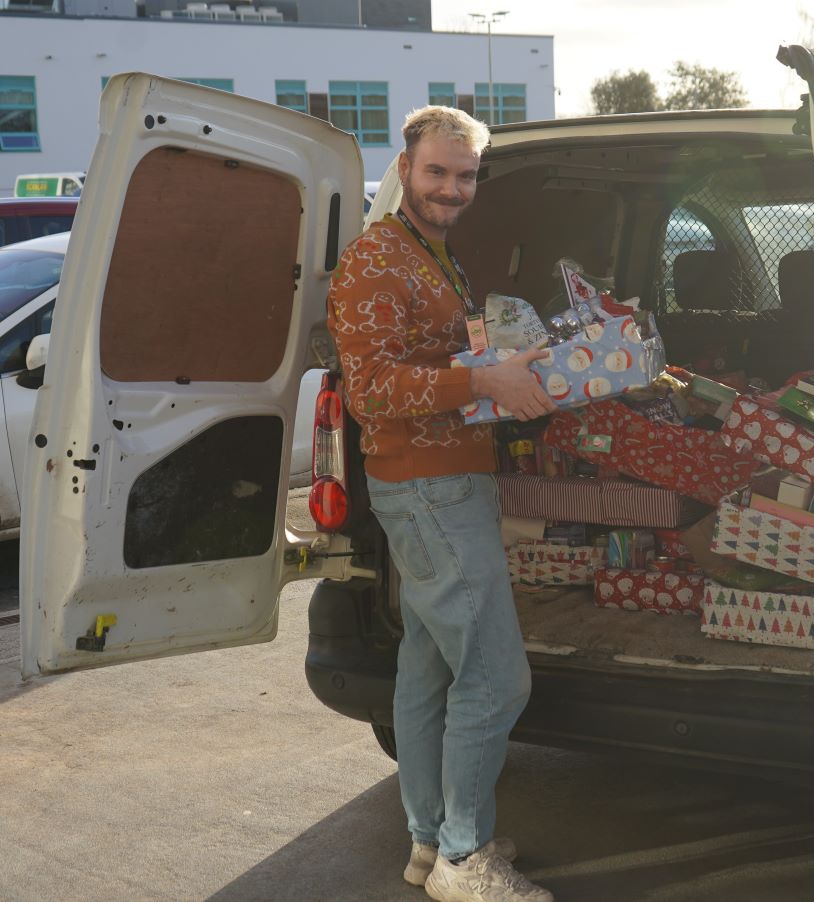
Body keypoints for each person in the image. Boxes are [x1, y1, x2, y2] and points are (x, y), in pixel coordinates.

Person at [327, 106, 558, 902]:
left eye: (464, 175)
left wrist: (513, 369)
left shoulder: (432, 255)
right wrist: (482, 380)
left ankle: (431, 844)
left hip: (448, 478)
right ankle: (466, 859)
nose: (451, 188)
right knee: (498, 679)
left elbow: (436, 359)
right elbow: (371, 391)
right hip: (427, 488)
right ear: (405, 168)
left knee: (426, 670)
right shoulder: (375, 261)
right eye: (436, 172)